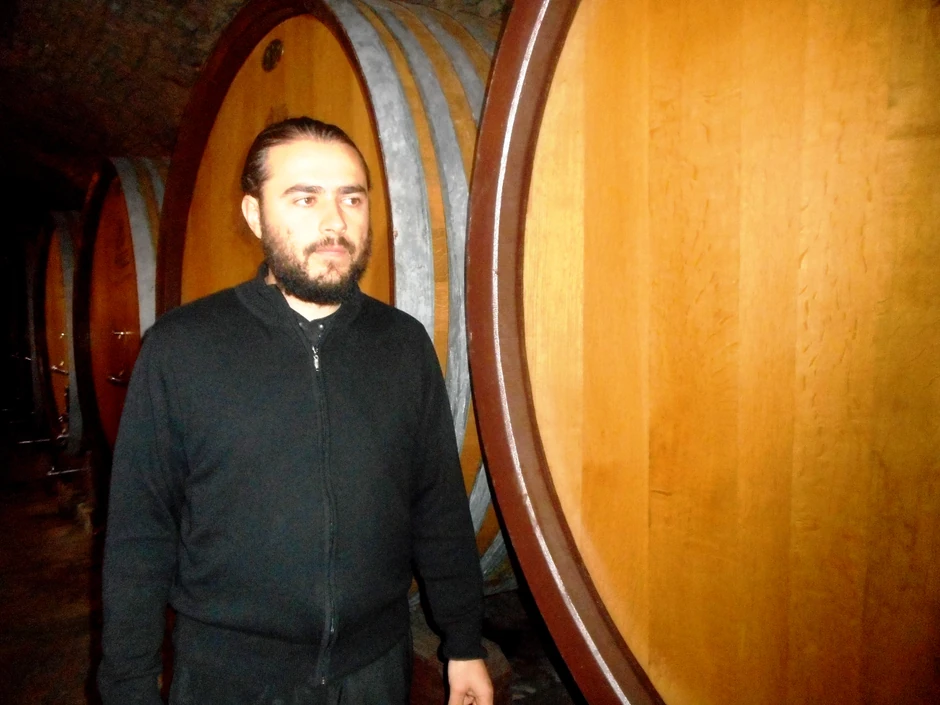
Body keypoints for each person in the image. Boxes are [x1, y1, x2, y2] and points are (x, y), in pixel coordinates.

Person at [98, 117, 493, 705]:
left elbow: (438, 504)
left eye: (351, 198)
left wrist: (464, 642)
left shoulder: (403, 344)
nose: (335, 222)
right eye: (305, 198)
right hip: (230, 678)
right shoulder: (183, 347)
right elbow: (139, 532)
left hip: (375, 670)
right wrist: (129, 685)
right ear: (255, 214)